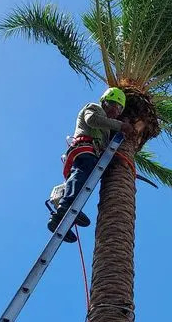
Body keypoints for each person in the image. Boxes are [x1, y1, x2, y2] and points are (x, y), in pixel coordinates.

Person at [47, 87, 135, 241]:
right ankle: (65, 206)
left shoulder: (106, 130)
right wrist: (120, 125)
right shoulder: (94, 108)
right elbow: (92, 120)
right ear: (105, 102)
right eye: (115, 105)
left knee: (83, 183)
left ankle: (60, 221)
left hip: (91, 153)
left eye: (120, 109)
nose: (117, 111)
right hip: (83, 149)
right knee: (82, 173)